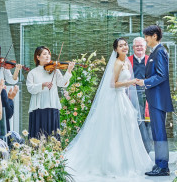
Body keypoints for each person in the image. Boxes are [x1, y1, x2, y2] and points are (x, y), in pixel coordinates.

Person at [65, 38, 152, 179]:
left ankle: (126, 162)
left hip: (123, 99)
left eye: (125, 45)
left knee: (126, 130)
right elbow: (113, 84)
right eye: (120, 46)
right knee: (114, 130)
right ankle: (112, 163)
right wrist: (130, 82)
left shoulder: (127, 62)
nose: (124, 47)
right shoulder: (117, 63)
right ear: (116, 49)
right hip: (114, 99)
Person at [136, 25, 174, 177]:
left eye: (147, 36)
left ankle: (163, 166)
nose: (145, 39)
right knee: (157, 133)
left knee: (159, 133)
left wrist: (144, 82)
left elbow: (162, 75)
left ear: (155, 36)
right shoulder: (156, 52)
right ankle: (160, 163)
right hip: (155, 98)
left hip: (158, 99)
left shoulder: (160, 52)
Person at [26, 46, 75, 138]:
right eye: (44, 54)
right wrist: (42, 85)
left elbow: (62, 83)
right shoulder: (32, 73)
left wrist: (69, 71)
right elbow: (30, 89)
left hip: (52, 106)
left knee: (53, 136)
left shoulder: (55, 70)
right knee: (37, 136)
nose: (48, 56)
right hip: (38, 108)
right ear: (38, 57)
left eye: (48, 54)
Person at [128, 37, 153, 152]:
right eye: (136, 46)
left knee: (147, 124)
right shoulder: (127, 61)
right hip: (132, 96)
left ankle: (147, 151)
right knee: (135, 123)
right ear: (133, 48)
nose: (139, 48)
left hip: (147, 95)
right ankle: (136, 151)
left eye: (141, 46)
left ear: (145, 47)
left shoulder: (151, 60)